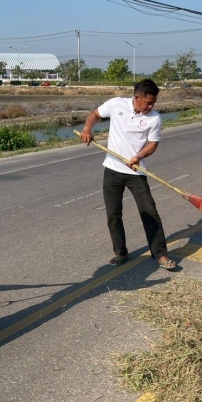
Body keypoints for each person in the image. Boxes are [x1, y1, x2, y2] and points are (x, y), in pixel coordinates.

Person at [80, 79, 176, 270]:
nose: (151, 106)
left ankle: (161, 254)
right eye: (148, 102)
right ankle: (121, 252)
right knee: (113, 213)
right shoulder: (116, 104)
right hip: (112, 170)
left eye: (154, 103)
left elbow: (152, 144)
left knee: (149, 211)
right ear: (137, 97)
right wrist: (87, 128)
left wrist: (138, 156)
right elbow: (95, 115)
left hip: (135, 172)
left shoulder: (155, 118)